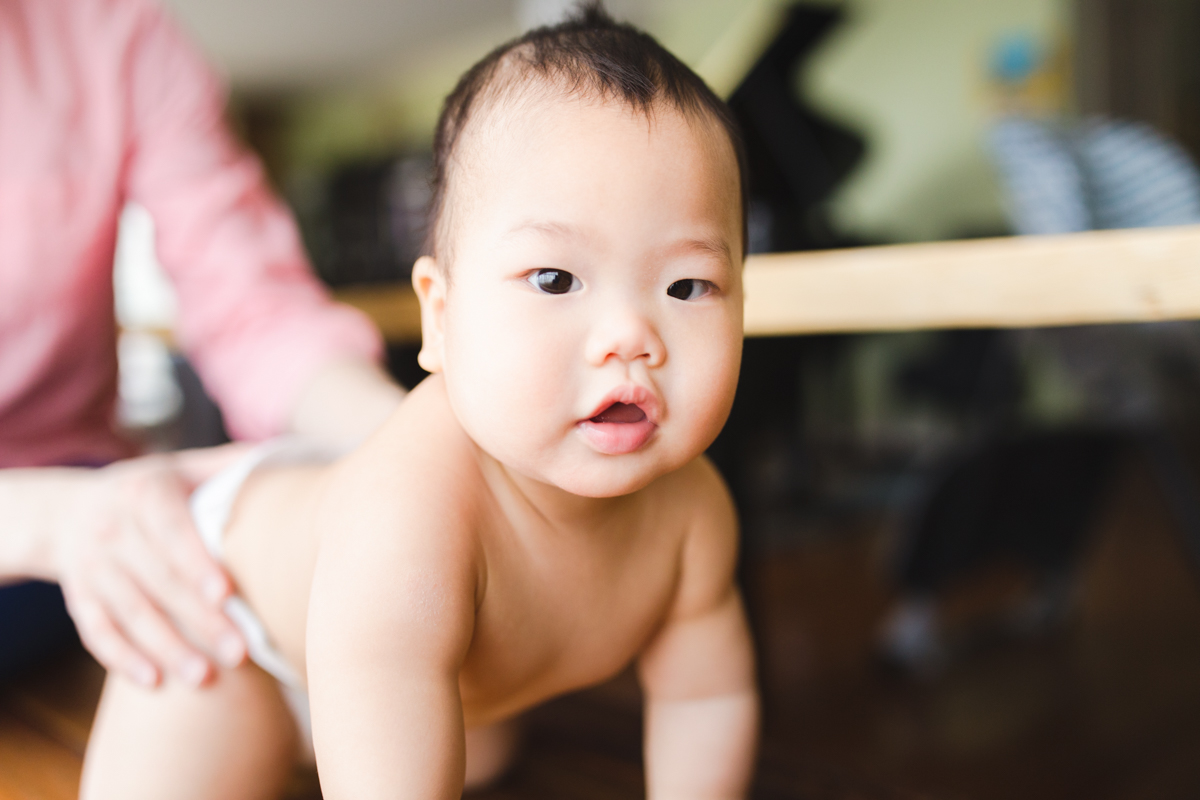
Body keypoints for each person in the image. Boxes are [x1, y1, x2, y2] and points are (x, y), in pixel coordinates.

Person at [79, 6, 760, 798]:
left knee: (469, 742)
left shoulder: (695, 514)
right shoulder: (413, 512)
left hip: (420, 668)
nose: (629, 336)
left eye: (688, 285)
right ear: (442, 316)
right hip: (226, 623)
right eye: (555, 279)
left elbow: (706, 696)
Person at [0, 0, 404, 688]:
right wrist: (47, 520)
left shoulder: (115, 30)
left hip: (87, 514)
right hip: (62, 526)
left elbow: (254, 311)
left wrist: (412, 447)